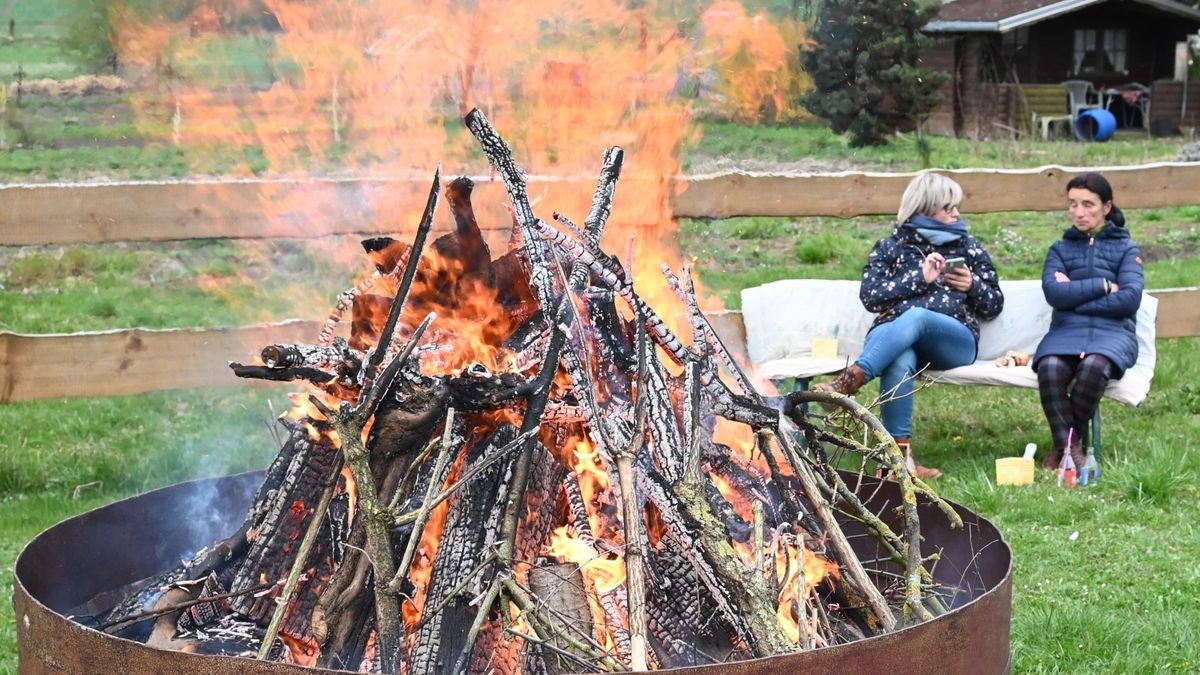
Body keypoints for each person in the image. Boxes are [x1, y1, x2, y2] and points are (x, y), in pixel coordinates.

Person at [813, 173, 1005, 479]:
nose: (956, 214)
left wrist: (972, 285)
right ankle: (897, 465)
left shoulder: (968, 247)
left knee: (917, 316)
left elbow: (994, 304)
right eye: (948, 208)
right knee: (899, 359)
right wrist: (919, 278)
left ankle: (849, 383)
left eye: (956, 207)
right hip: (892, 334)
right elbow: (871, 297)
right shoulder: (890, 246)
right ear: (924, 209)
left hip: (952, 341)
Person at [1034, 173, 1143, 471]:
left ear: (1106, 207)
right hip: (1067, 331)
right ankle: (1071, 448)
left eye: (1087, 205)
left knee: (1095, 366)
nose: (1079, 212)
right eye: (1073, 204)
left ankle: (1065, 448)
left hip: (1113, 334)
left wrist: (1075, 294)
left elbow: (1130, 300)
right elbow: (1055, 293)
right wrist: (1104, 286)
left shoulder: (1126, 250)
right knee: (1050, 366)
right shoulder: (1060, 249)